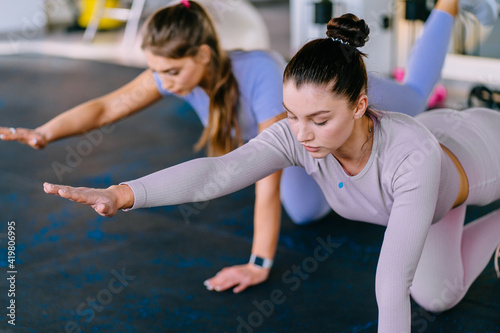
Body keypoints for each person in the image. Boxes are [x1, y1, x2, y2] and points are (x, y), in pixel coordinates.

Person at [43, 8, 500, 331]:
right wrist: (122, 194)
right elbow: (217, 173)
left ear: (361, 105)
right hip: (437, 178)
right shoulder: (296, 135)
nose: (300, 134)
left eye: (319, 121)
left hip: (483, 154)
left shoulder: (409, 157)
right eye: (292, 114)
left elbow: (390, 278)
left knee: (415, 288)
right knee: (438, 297)